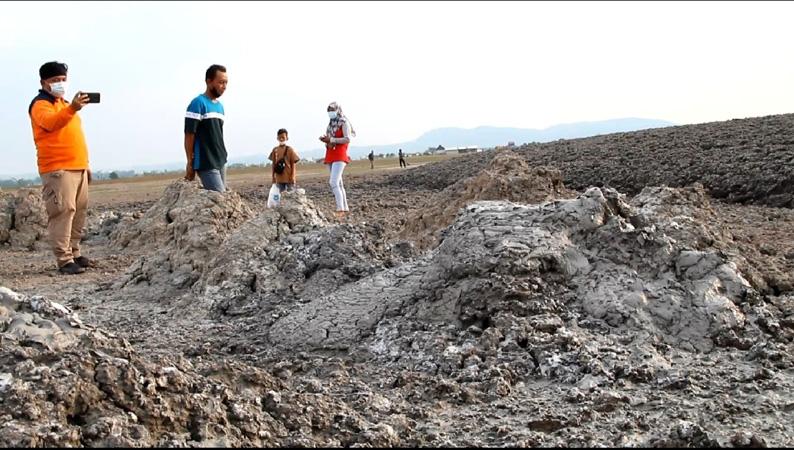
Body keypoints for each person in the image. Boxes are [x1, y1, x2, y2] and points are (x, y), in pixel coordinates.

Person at [28, 61, 94, 275]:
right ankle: (64, 259)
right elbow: (52, 123)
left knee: (78, 212)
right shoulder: (40, 105)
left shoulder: (65, 104)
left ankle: (74, 252)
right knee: (62, 213)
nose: (60, 84)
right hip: (58, 168)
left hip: (78, 167)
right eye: (55, 80)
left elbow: (76, 136)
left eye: (63, 80)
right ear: (43, 82)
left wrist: (85, 164)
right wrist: (73, 108)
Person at [184, 64, 229, 192]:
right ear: (209, 81)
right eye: (221, 82)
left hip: (220, 160)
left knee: (223, 200)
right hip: (206, 162)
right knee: (220, 197)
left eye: (226, 83)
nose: (224, 86)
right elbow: (189, 134)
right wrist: (190, 162)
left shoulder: (220, 107)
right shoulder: (198, 103)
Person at [319, 102, 355, 220]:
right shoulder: (330, 124)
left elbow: (347, 138)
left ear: (338, 110)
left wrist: (332, 139)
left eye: (332, 110)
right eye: (329, 110)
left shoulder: (344, 122)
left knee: (333, 182)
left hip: (340, 154)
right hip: (330, 154)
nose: (330, 112)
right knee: (339, 183)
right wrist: (327, 141)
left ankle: (340, 209)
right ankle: (345, 208)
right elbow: (330, 140)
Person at [269, 128, 300, 192]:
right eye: (280, 137)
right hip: (279, 179)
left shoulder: (290, 149)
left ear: (287, 138)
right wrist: (273, 177)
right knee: (279, 196)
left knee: (291, 195)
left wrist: (293, 176)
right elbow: (273, 164)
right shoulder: (275, 150)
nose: (281, 139)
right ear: (277, 138)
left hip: (289, 178)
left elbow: (293, 164)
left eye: (283, 137)